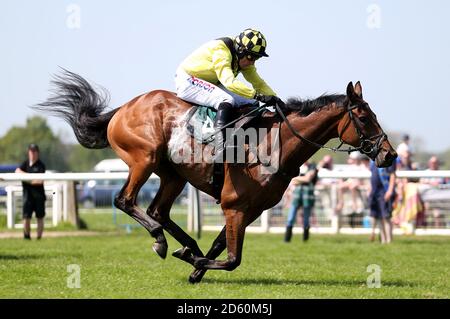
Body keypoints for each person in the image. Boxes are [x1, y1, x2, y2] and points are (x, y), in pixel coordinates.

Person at [175, 28, 282, 160]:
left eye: (257, 58)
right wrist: (257, 95)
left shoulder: (243, 58)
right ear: (241, 50)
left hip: (210, 81)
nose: (253, 62)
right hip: (188, 80)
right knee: (227, 99)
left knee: (252, 103)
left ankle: (244, 139)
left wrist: (276, 99)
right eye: (251, 57)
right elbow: (229, 82)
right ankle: (220, 147)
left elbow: (258, 83)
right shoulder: (221, 50)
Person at [15, 144, 46, 240]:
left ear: (38, 153)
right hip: (27, 195)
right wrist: (31, 179)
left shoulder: (41, 165)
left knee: (39, 217)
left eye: (34, 151)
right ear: (28, 152)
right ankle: (26, 236)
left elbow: (40, 181)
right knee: (26, 217)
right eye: (31, 151)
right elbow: (17, 171)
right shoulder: (25, 163)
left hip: (39, 196)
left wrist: (26, 178)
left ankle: (39, 238)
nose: (32, 153)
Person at [284, 161, 320, 242]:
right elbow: (293, 180)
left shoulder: (312, 166)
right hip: (297, 194)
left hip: (308, 195)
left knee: (306, 218)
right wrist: (301, 179)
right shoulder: (298, 165)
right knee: (291, 217)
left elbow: (307, 179)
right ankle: (287, 239)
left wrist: (295, 179)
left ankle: (305, 239)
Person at [368, 158, 396, 244]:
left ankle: (389, 240)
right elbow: (372, 175)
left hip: (384, 190)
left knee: (386, 217)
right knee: (379, 217)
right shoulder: (373, 159)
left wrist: (390, 190)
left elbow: (392, 174)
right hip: (374, 191)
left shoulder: (388, 157)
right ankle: (383, 240)